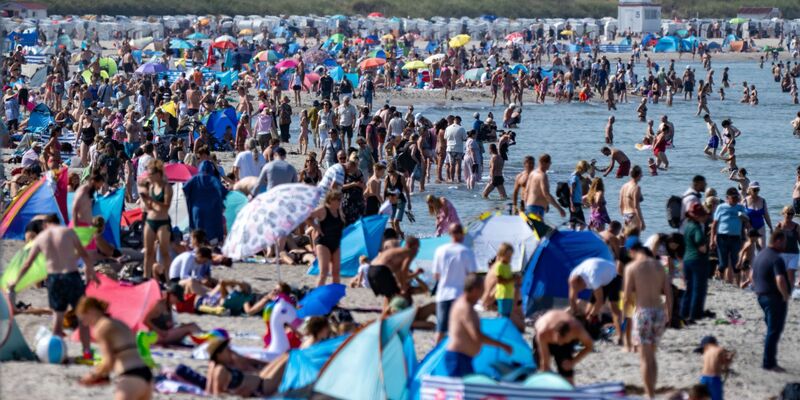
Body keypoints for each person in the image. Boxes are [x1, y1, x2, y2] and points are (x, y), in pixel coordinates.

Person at [9, 214, 98, 359]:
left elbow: (28, 264)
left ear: (45, 225)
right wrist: (91, 274)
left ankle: (56, 354)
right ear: (58, 223)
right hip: (72, 276)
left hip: (54, 279)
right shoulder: (69, 233)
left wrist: (15, 281)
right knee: (82, 317)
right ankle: (87, 352)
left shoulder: (41, 238)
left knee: (58, 317)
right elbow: (85, 255)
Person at [76, 297, 153, 398]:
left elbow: (108, 361)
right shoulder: (118, 323)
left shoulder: (101, 327)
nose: (85, 324)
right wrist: (104, 376)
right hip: (147, 375)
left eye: (83, 319)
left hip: (130, 376)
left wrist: (92, 376)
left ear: (90, 311)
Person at [623, 244, 673, 399]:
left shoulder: (632, 267)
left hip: (643, 313)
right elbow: (668, 293)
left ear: (633, 252)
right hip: (659, 313)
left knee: (644, 357)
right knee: (652, 355)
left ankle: (649, 394)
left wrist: (624, 316)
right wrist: (669, 315)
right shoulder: (659, 266)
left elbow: (626, 296)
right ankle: (652, 390)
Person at [444, 274, 512, 377]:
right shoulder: (465, 308)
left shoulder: (464, 304)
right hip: (458, 358)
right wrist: (502, 345)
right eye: (482, 290)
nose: (482, 294)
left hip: (463, 358)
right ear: (475, 290)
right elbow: (476, 336)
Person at [751, 230, 790, 372]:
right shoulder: (776, 258)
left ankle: (769, 358)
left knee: (771, 329)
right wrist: (785, 295)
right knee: (774, 331)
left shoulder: (760, 255)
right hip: (773, 298)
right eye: (784, 241)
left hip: (761, 296)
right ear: (778, 240)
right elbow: (780, 279)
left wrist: (757, 288)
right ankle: (769, 363)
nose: (786, 244)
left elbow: (751, 275)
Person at [432, 223, 478, 343]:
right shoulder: (466, 252)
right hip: (460, 294)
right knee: (459, 327)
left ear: (449, 234)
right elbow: (472, 276)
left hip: (443, 293)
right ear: (462, 234)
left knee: (441, 329)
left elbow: (436, 275)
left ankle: (436, 355)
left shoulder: (440, 250)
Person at [532, 310, 594, 384]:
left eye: (564, 341)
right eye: (559, 340)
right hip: (545, 337)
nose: (560, 343)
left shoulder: (577, 329)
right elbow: (545, 363)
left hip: (561, 337)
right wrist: (545, 368)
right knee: (543, 367)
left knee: (567, 372)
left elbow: (589, 346)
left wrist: (573, 362)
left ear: (571, 335)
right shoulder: (543, 332)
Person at [139, 161, 173, 279]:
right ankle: (146, 278)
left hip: (163, 221)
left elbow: (166, 206)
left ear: (158, 174)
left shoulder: (166, 187)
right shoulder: (151, 186)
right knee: (148, 252)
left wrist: (151, 200)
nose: (149, 177)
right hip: (150, 220)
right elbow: (149, 206)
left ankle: (168, 279)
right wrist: (145, 199)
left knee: (164, 252)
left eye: (151, 174)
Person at [183, 161, 227, 244]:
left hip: (197, 210)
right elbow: (223, 192)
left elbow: (185, 189)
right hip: (212, 211)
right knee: (212, 237)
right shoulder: (213, 179)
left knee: (198, 235)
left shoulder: (194, 179)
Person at [710, 188, 748, 284]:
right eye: (733, 197)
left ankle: (738, 285)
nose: (735, 199)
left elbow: (748, 223)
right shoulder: (721, 207)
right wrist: (712, 240)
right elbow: (714, 224)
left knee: (736, 263)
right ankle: (721, 283)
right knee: (723, 263)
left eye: (737, 197)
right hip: (722, 237)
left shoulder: (740, 207)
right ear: (727, 197)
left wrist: (744, 218)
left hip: (736, 238)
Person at [309, 191, 345, 287]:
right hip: (323, 243)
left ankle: (335, 300)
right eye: (337, 200)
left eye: (340, 199)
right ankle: (317, 297)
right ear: (331, 200)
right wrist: (316, 227)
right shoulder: (323, 210)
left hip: (336, 243)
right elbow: (308, 217)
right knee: (324, 272)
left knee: (336, 272)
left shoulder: (339, 211)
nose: (339, 202)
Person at [682, 203, 711, 323]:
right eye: (703, 215)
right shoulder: (696, 227)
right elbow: (701, 246)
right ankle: (695, 315)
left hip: (687, 259)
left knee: (689, 288)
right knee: (698, 289)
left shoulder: (687, 226)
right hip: (697, 260)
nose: (705, 217)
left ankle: (684, 313)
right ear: (697, 217)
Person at [524, 154, 566, 221]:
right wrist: (559, 209)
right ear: (543, 163)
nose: (550, 165)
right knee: (538, 230)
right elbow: (546, 194)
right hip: (537, 209)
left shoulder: (532, 173)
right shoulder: (542, 176)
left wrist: (527, 205)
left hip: (530, 207)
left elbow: (526, 191)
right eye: (549, 163)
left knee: (531, 230)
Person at [695, 336, 735, 400]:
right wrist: (730, 358)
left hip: (703, 377)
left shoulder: (706, 351)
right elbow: (724, 363)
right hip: (714, 378)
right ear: (715, 343)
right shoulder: (720, 349)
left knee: (702, 398)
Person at [775, 206, 800, 289]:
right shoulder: (779, 226)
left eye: (792, 214)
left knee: (791, 273)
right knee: (782, 274)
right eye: (788, 213)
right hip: (782, 254)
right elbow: (774, 241)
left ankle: (791, 291)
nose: (790, 216)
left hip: (794, 254)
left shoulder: (797, 227)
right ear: (783, 214)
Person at [743, 182, 772, 250]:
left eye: (757, 189)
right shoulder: (745, 201)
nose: (756, 191)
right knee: (750, 249)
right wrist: (746, 222)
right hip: (749, 228)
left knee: (762, 248)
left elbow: (766, 215)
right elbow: (741, 215)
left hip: (760, 226)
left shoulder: (763, 201)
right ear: (750, 190)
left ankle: (761, 260)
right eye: (754, 190)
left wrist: (771, 227)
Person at [490, 243, 515, 317]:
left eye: (510, 256)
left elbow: (509, 277)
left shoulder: (508, 266)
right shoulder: (499, 266)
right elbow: (499, 280)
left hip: (509, 294)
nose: (509, 258)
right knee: (502, 314)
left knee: (507, 314)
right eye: (508, 256)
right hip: (502, 294)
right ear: (502, 254)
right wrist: (512, 279)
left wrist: (513, 278)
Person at [619, 165, 646, 231]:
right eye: (641, 173)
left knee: (627, 239)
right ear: (639, 174)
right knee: (635, 239)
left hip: (625, 215)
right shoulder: (636, 188)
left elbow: (620, 205)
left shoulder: (624, 186)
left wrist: (623, 217)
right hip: (633, 215)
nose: (642, 175)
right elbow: (636, 206)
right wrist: (642, 222)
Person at [568, 160, 589, 229]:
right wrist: (572, 204)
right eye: (585, 169)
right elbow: (571, 192)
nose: (585, 171)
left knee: (573, 223)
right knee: (582, 224)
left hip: (576, 202)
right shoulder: (575, 178)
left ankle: (572, 237)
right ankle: (575, 237)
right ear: (581, 168)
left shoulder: (574, 175)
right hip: (575, 203)